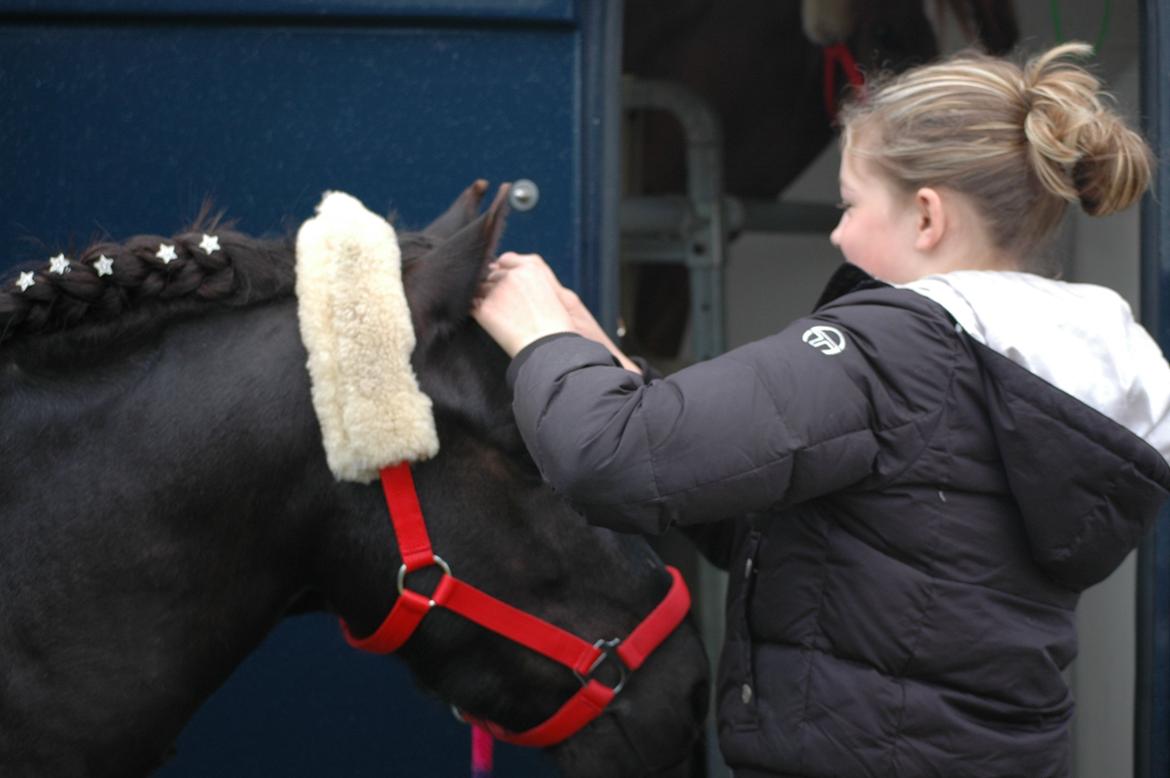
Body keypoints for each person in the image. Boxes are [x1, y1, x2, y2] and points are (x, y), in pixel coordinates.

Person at [472, 42, 1170, 777]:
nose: (836, 233)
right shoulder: (1033, 378)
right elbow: (786, 525)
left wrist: (540, 335)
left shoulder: (896, 348)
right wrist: (605, 370)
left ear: (926, 217)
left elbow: (610, 458)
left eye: (850, 204)